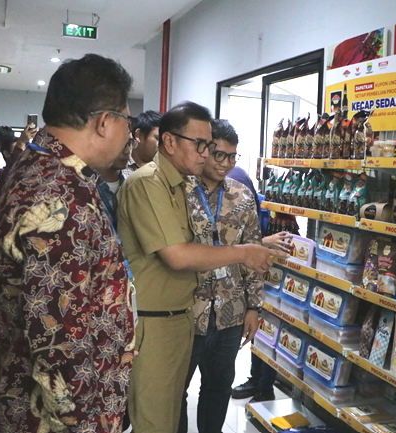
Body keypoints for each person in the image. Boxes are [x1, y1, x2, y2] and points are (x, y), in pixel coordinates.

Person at [0, 54, 136, 433]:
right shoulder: (59, 198)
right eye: (127, 122)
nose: (129, 135)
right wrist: (85, 423)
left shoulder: (47, 169)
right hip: (64, 420)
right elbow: (59, 343)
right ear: (104, 122)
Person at [118, 102, 287, 433]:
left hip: (214, 312)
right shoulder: (160, 185)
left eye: (227, 155)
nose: (214, 158)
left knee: (209, 391)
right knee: (162, 409)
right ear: (170, 142)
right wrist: (243, 252)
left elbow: (248, 248)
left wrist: (253, 304)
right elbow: (178, 256)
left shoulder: (227, 193)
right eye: (205, 147)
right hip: (169, 316)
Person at [177, 119, 266, 433]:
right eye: (219, 155)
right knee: (176, 391)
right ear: (204, 150)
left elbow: (254, 254)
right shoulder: (181, 192)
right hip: (188, 311)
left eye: (232, 156)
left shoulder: (242, 196)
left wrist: (254, 307)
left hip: (230, 312)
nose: (226, 163)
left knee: (218, 389)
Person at [228, 167, 292, 403]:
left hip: (264, 274)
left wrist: (263, 243)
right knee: (257, 330)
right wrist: (263, 242)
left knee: (267, 327)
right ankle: (257, 379)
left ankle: (265, 386)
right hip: (240, 275)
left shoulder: (245, 193)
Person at [0, 124, 38, 199]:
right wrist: (21, 142)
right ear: (6, 153)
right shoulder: (0, 175)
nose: (23, 153)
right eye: (16, 150)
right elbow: (15, 165)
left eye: (24, 150)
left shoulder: (30, 172)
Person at [122, 110, 162, 177]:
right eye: (158, 138)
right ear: (139, 135)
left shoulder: (163, 170)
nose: (163, 145)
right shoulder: (121, 165)